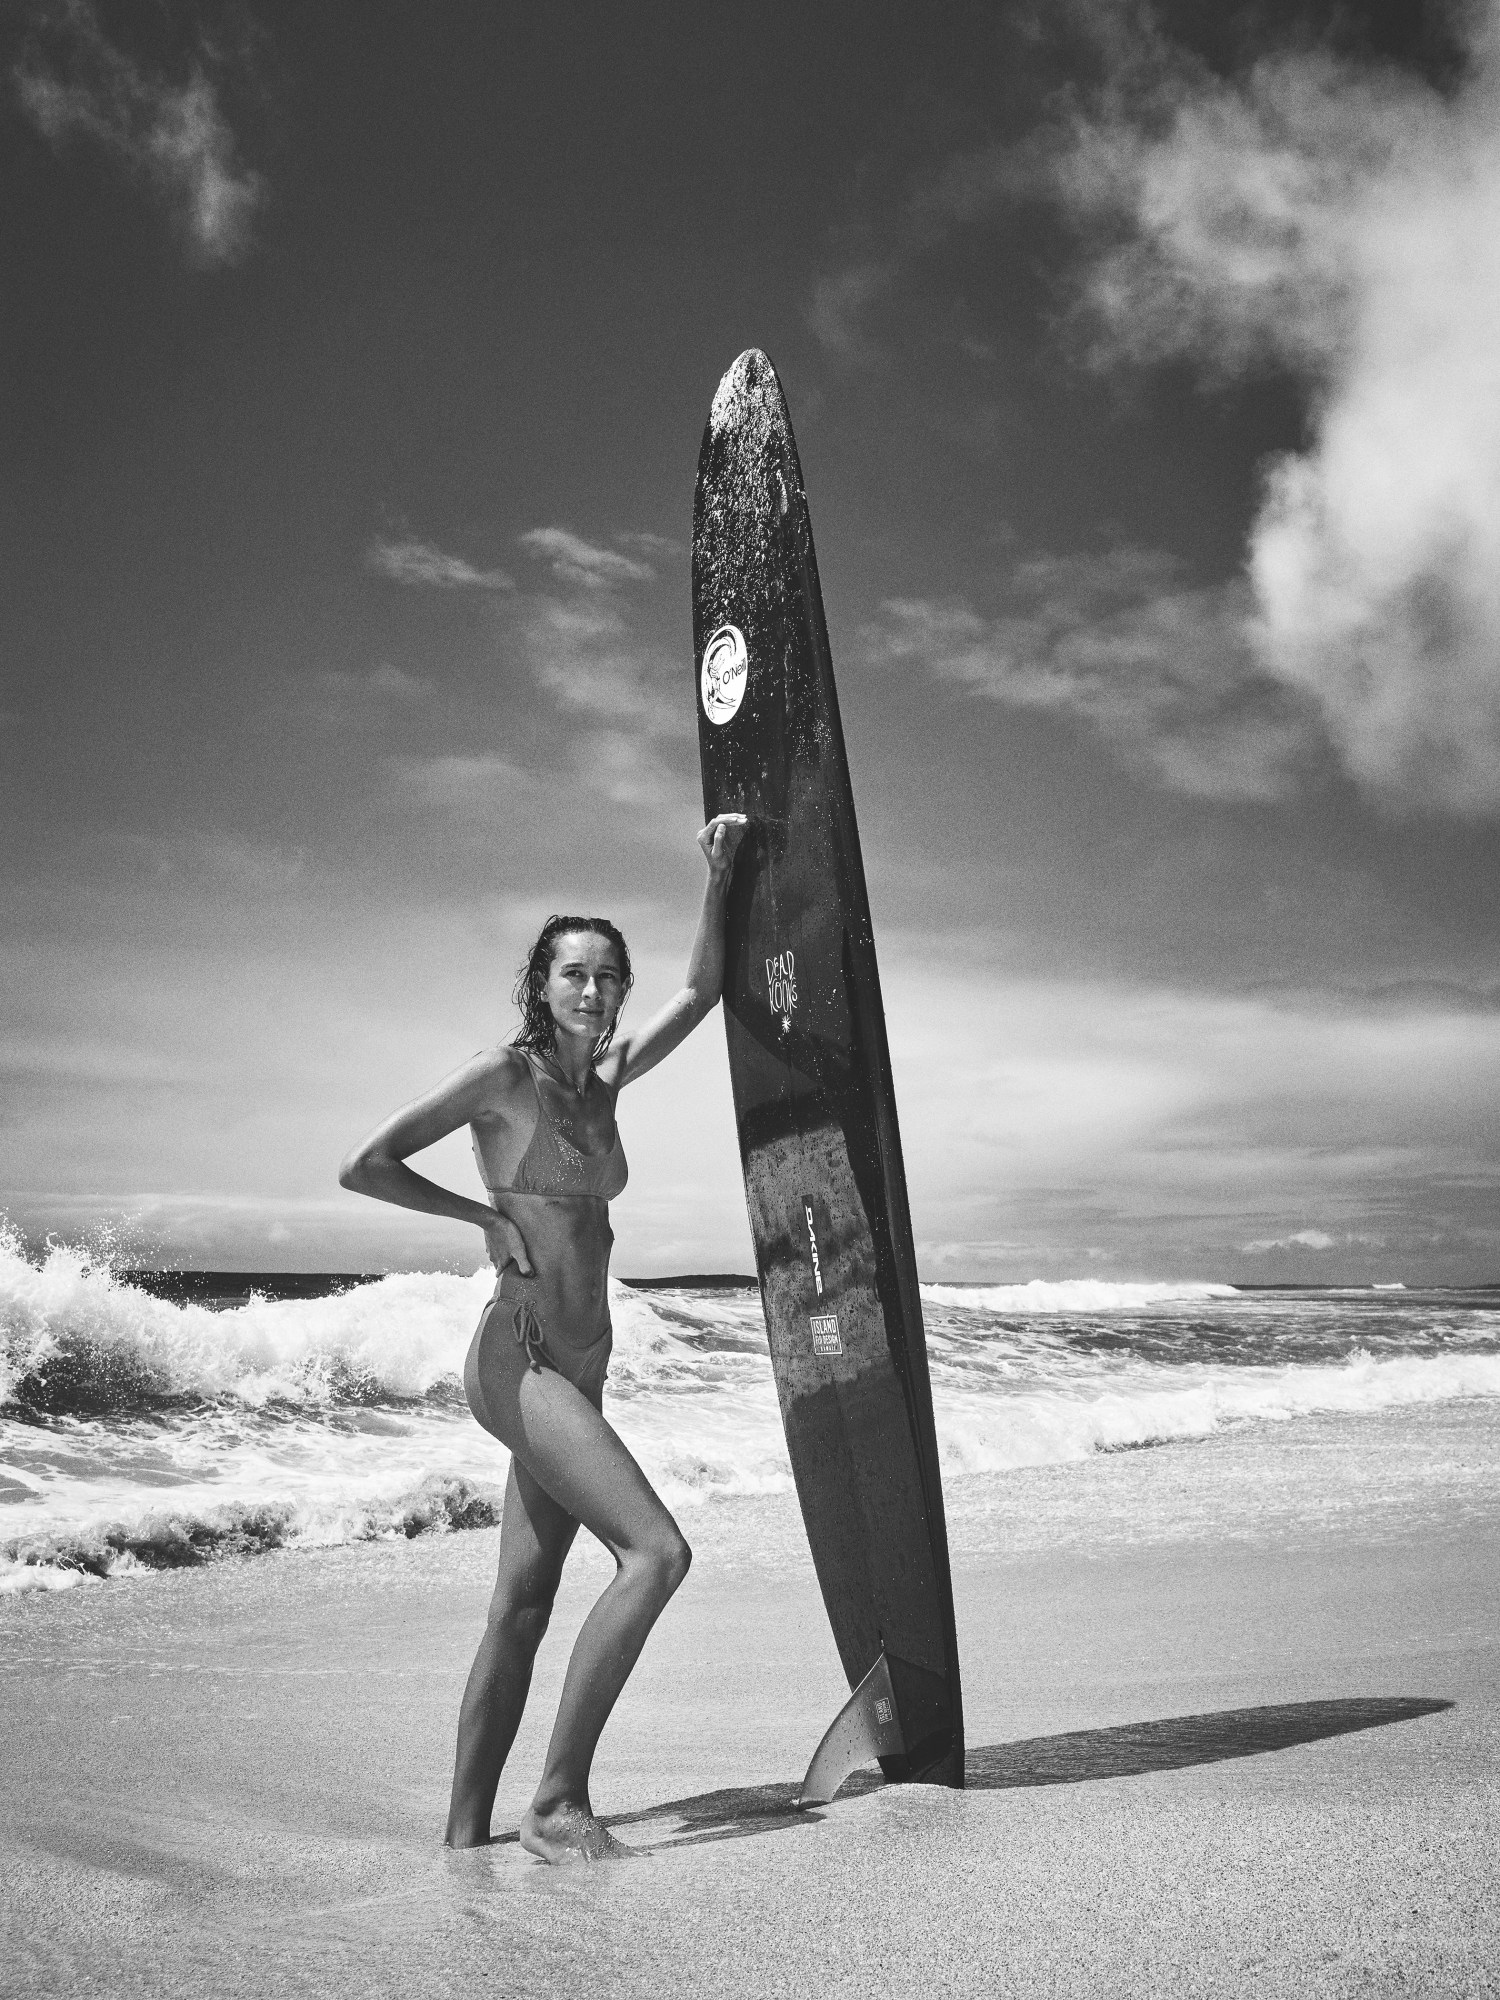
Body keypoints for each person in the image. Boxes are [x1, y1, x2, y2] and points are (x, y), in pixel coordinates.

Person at [338, 813, 748, 1861]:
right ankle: (558, 1800)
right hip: (516, 1356)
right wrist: (478, 1216)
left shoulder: (603, 1080)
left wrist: (721, 874)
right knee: (656, 1553)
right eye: (574, 973)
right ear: (541, 982)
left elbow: (701, 993)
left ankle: (460, 1843)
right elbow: (368, 1162)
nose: (595, 991)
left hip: (583, 1365)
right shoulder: (504, 1076)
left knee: (522, 1602)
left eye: (609, 976)